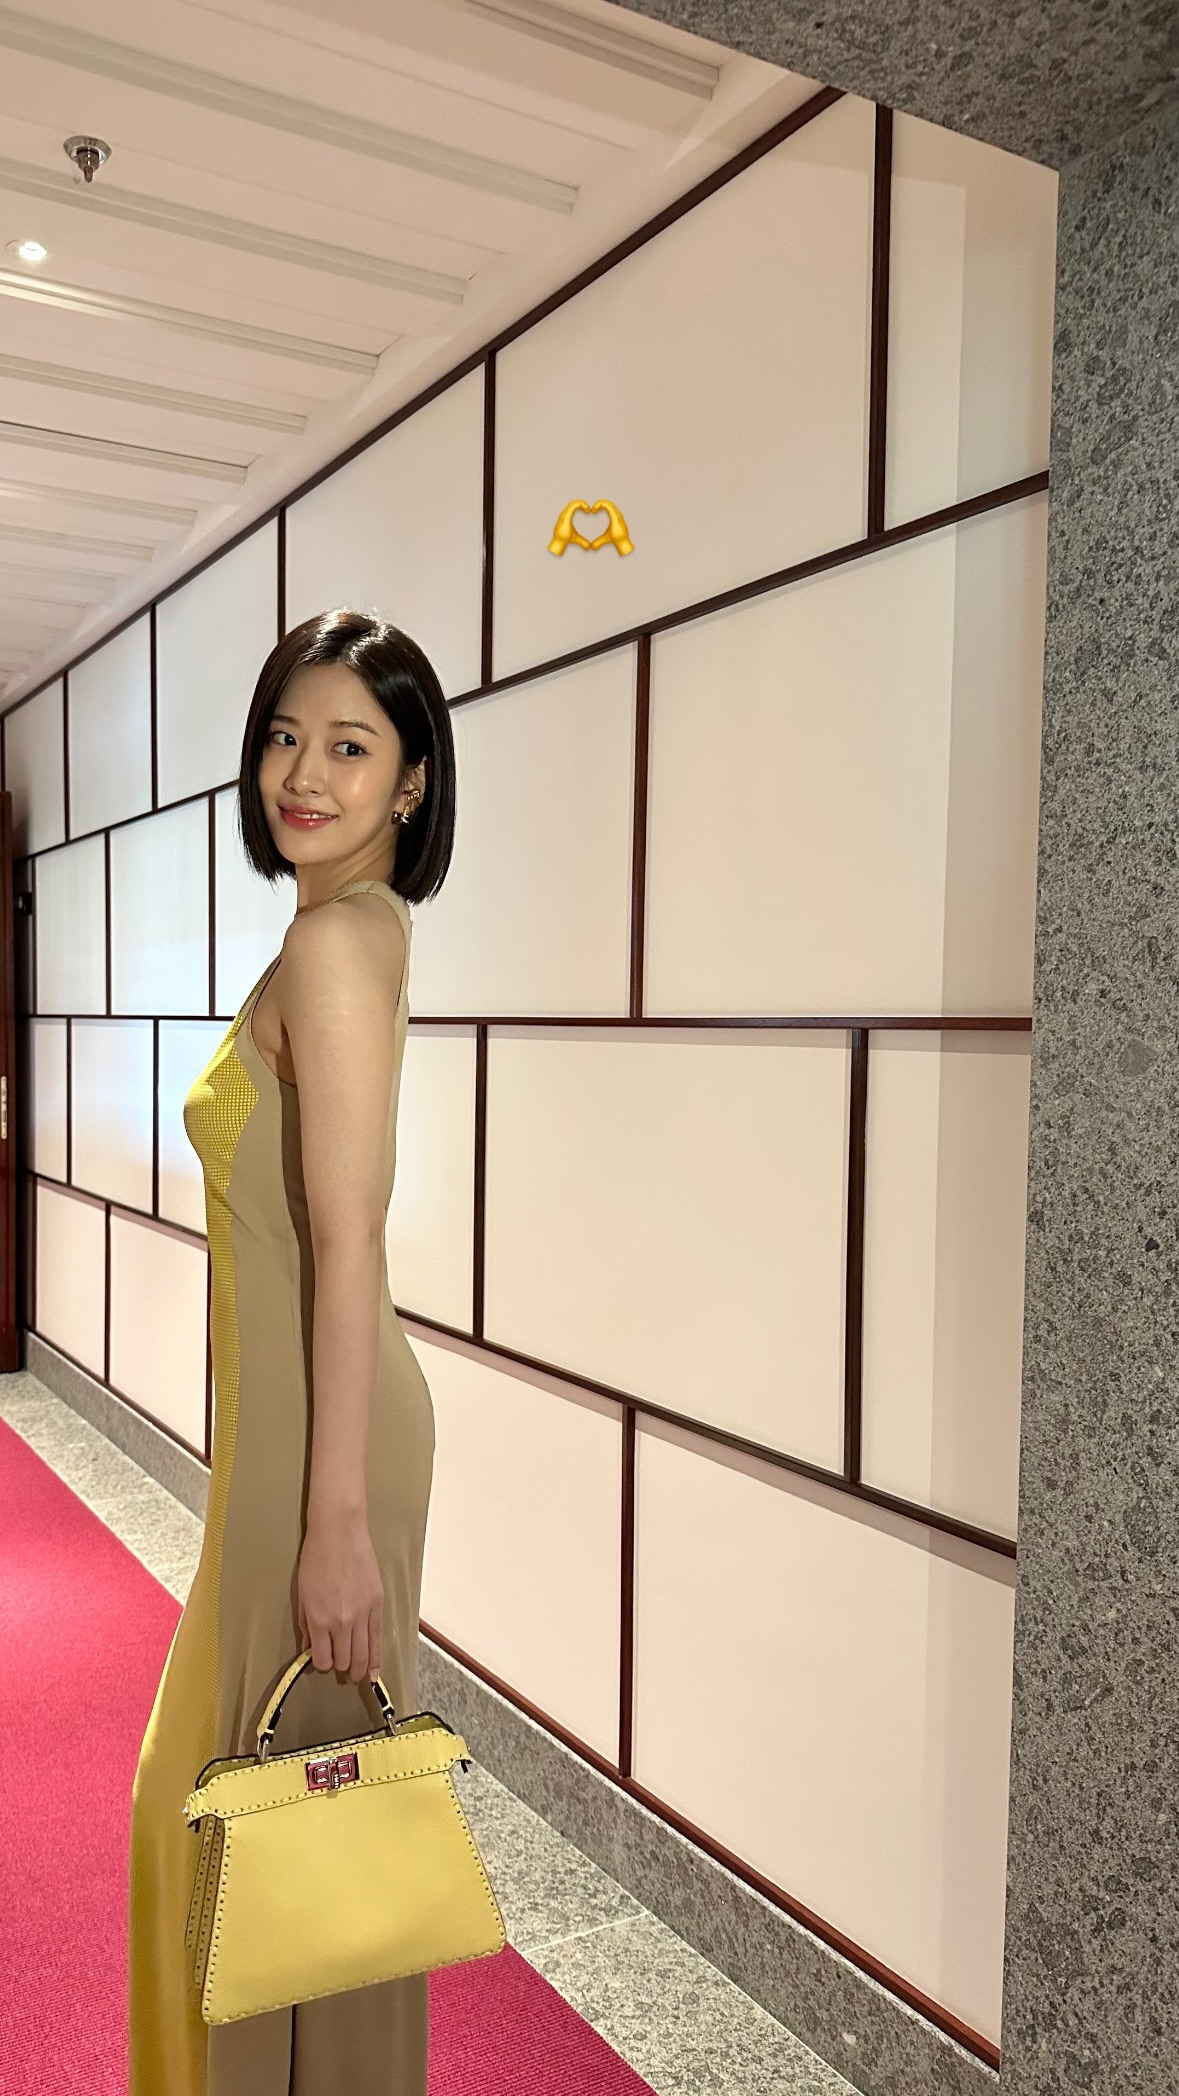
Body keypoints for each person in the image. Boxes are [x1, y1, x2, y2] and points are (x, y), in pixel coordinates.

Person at [127, 607, 457, 2096]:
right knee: (291, 1837)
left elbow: (350, 1237)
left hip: (320, 1450)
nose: (303, 774)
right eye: (283, 736)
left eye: (350, 746)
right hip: (299, 1428)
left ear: (411, 784)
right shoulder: (350, 930)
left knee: (260, 1834)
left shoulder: (335, 941)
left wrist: (334, 1528)